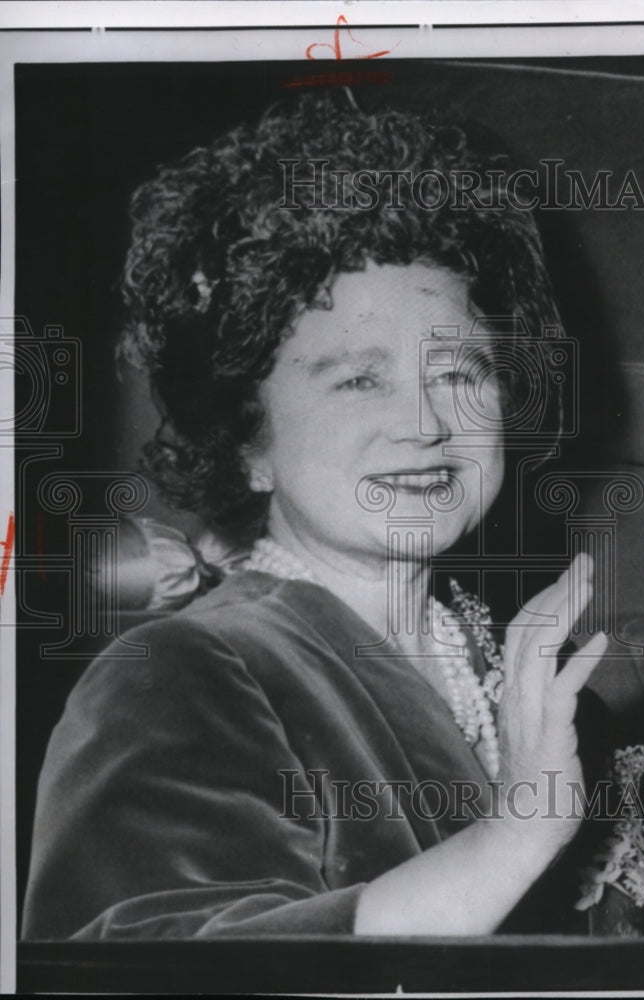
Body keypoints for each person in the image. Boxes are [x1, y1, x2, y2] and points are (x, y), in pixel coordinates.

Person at [22, 91, 608, 940]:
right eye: (358, 379)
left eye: (460, 373)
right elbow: (157, 978)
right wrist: (518, 831)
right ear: (246, 444)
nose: (427, 424)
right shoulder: (183, 667)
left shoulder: (493, 663)